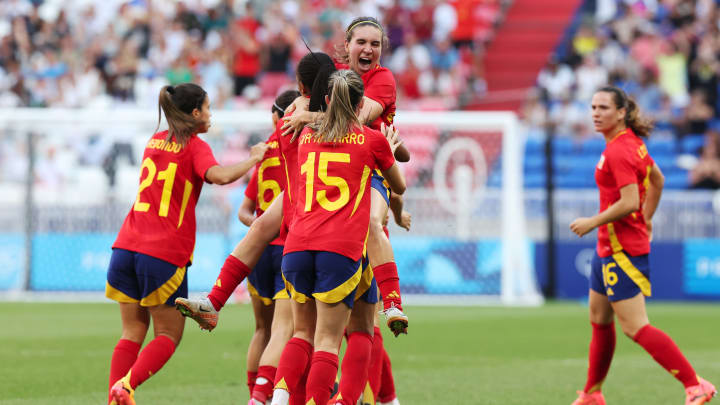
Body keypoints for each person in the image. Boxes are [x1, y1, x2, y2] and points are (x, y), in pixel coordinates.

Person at [105, 83, 269, 405]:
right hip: (162, 252)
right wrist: (254, 160)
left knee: (131, 333)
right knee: (168, 335)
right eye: (208, 108)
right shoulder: (194, 145)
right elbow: (218, 176)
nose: (211, 115)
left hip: (125, 245)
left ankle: (115, 397)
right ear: (195, 114)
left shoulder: (155, 141)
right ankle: (126, 387)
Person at [281, 17, 410, 405]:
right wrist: (302, 109)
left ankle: (394, 301)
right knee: (359, 324)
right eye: (361, 42)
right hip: (330, 192)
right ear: (346, 45)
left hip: (367, 175)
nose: (368, 50)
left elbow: (357, 120)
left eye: (376, 44)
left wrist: (307, 114)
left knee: (371, 224)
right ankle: (385, 398)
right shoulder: (333, 78)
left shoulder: (383, 80)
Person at [569, 86, 716, 405]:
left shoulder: (619, 151)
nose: (595, 113)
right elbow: (657, 180)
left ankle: (695, 385)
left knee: (636, 327)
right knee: (599, 318)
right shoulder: (630, 144)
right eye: (593, 106)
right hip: (607, 247)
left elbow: (630, 200)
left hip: (621, 250)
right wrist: (646, 219)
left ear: (621, 113)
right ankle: (592, 393)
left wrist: (593, 221)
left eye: (604, 107)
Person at [238, 89, 300, 402]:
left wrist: (262, 228)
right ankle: (263, 396)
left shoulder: (263, 154)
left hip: (259, 251)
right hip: (288, 247)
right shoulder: (303, 146)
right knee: (285, 331)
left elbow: (244, 211)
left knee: (261, 329)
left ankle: (254, 394)